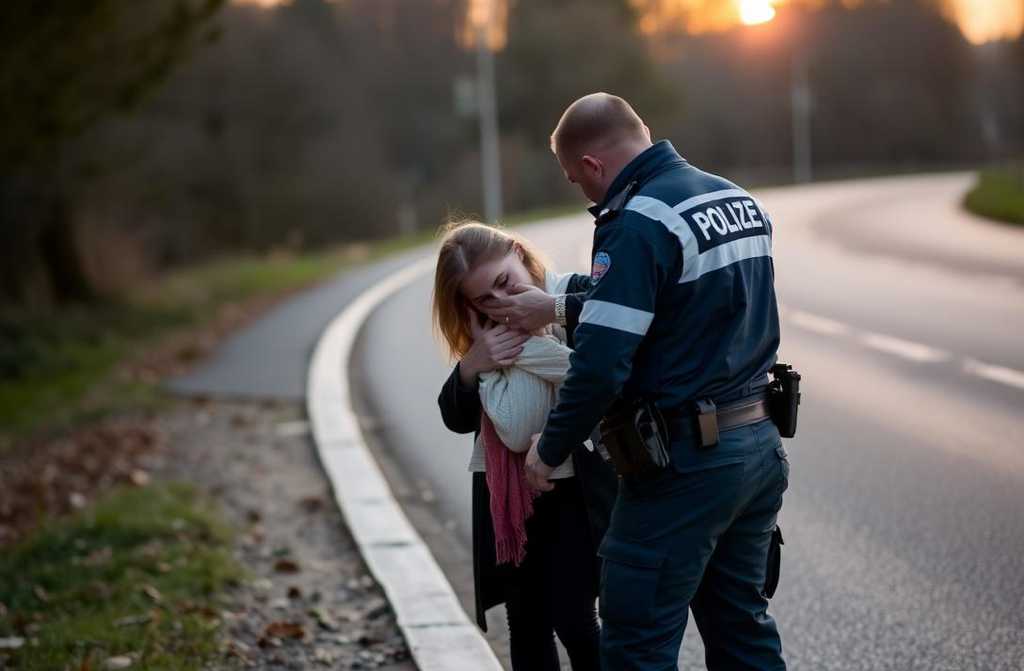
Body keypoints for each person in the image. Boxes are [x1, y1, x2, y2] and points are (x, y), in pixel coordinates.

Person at [522, 92, 790, 670]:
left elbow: (601, 363)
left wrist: (550, 449)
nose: (583, 192)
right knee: (742, 628)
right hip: (758, 447)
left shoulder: (638, 220)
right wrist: (558, 305)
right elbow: (678, 309)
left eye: (576, 180)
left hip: (685, 466)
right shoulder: (735, 199)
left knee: (636, 643)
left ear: (591, 164)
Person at [432, 221, 617, 671]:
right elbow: (455, 417)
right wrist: (472, 365)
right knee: (526, 621)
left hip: (575, 489)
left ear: (517, 252)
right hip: (509, 497)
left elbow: (606, 374)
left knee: (575, 619)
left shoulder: (570, 294)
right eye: (484, 298)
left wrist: (543, 326)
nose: (501, 300)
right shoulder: (485, 334)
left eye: (504, 281)